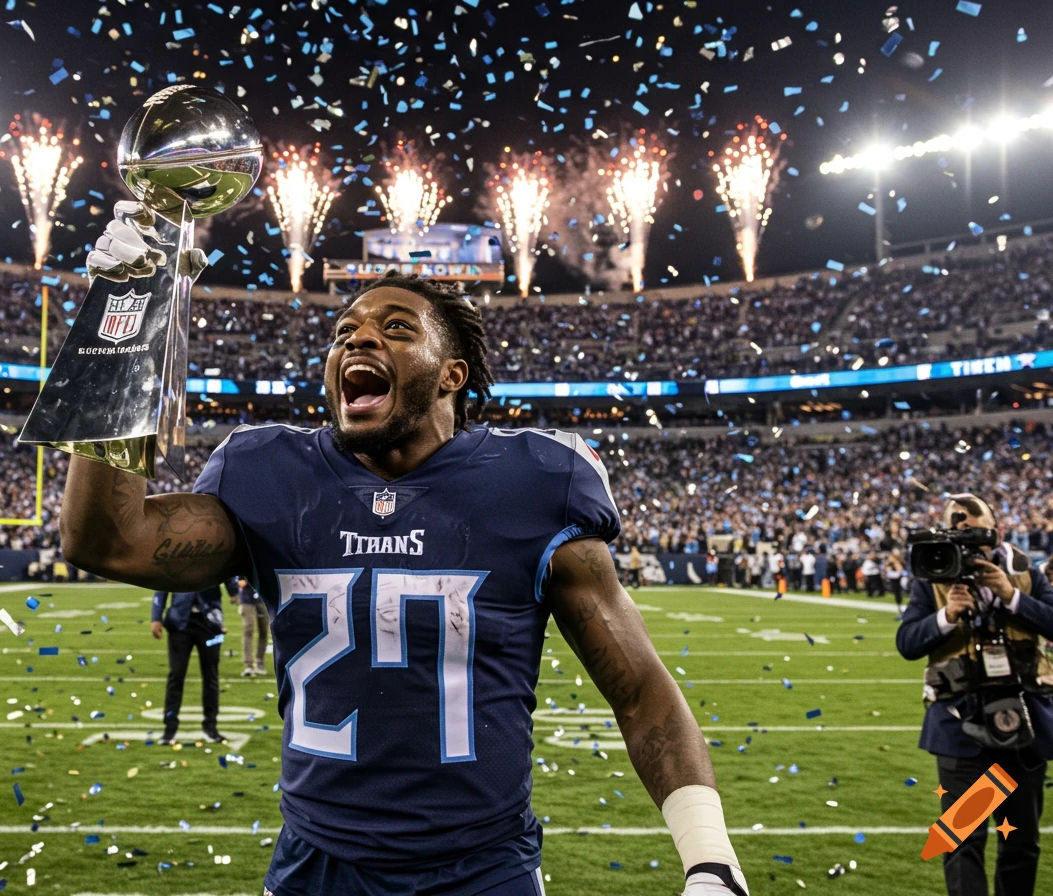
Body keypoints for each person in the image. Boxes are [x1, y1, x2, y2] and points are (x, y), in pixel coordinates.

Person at [63, 221, 749, 896]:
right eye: (345, 334)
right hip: (316, 866)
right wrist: (116, 329)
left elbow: (638, 689)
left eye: (396, 328)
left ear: (452, 374)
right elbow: (106, 538)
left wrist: (711, 860)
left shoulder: (537, 482)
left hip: (483, 870)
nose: (358, 337)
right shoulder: (265, 471)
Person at [896, 494, 1053, 896]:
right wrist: (946, 616)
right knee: (963, 841)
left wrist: (1011, 596)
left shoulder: (1025, 573)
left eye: (974, 534)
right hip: (962, 731)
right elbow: (907, 642)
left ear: (995, 528)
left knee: (1020, 842)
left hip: (1021, 725)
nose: (967, 547)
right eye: (957, 533)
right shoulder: (932, 578)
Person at [151, 585, 227, 744]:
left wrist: (235, 591)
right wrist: (156, 617)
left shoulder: (213, 558)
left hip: (211, 623)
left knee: (211, 676)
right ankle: (169, 730)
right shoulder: (174, 559)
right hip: (179, 623)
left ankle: (210, 727)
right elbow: (162, 584)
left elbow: (228, 568)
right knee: (176, 675)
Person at [235, 577, 269, 677]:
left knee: (264, 630)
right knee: (248, 629)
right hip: (246, 597)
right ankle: (248, 665)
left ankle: (259, 662)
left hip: (263, 597)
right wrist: (240, 579)